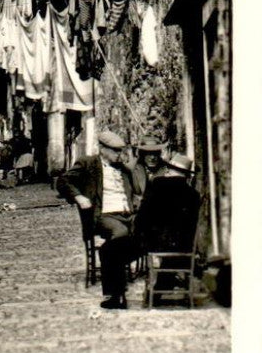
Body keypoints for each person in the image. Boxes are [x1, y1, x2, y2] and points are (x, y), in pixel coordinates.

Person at [97, 152, 201, 310]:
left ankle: (116, 297)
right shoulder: (194, 195)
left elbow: (143, 217)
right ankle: (161, 290)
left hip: (151, 242)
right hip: (181, 246)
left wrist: (136, 232)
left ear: (168, 170)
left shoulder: (158, 184)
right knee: (164, 248)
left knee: (108, 250)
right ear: (186, 175)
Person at [56, 129, 136, 308]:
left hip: (128, 214)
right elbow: (62, 182)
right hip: (104, 216)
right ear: (102, 149)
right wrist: (79, 197)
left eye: (121, 151)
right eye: (115, 151)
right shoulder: (88, 163)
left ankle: (115, 272)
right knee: (120, 235)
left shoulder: (124, 169)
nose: (119, 155)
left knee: (145, 234)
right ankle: (115, 293)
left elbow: (136, 191)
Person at [129, 137, 165, 206]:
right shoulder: (134, 170)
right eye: (149, 153)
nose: (152, 157)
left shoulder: (166, 170)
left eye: (155, 153)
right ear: (142, 155)